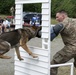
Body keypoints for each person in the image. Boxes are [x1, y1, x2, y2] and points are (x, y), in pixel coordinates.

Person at [50, 10, 76, 75]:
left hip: (71, 48)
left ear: (63, 16)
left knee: (53, 64)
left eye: (57, 17)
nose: (56, 19)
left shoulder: (63, 24)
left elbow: (51, 35)